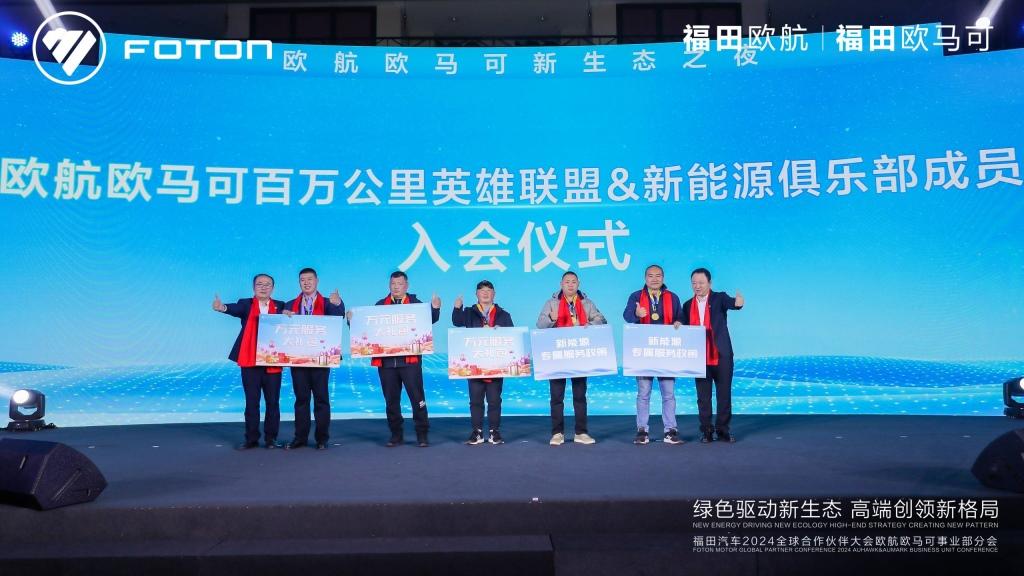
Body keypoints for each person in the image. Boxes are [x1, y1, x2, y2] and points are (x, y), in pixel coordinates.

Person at [212, 274, 286, 450]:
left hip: (272, 362)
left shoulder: (281, 306)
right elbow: (234, 309)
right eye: (259, 284)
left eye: (267, 284)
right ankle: (251, 439)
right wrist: (222, 308)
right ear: (254, 287)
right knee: (252, 402)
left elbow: (294, 319)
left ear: (273, 288)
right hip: (250, 361)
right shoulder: (245, 304)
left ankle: (271, 439)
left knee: (273, 402)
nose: (263, 287)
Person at [367, 271, 440, 447]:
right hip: (386, 363)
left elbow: (430, 320)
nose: (396, 287)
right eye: (393, 284)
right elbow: (367, 327)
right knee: (391, 401)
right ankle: (396, 434)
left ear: (406, 285)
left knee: (417, 399)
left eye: (400, 284)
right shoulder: (379, 306)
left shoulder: (416, 304)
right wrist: (351, 320)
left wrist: (435, 309)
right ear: (389, 285)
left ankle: (422, 434)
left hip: (409, 361)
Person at [536, 271, 607, 446]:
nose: (570, 284)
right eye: (567, 282)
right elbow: (540, 325)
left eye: (573, 282)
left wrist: (589, 324)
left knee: (580, 396)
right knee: (556, 397)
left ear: (578, 284)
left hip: (579, 356)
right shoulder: (551, 303)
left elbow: (602, 319)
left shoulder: (586, 303)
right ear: (561, 284)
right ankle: (557, 433)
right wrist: (551, 318)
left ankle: (581, 433)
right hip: (558, 356)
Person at [282, 268, 344, 450]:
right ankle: (300, 438)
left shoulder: (328, 302)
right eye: (303, 280)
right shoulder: (290, 304)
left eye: (310, 279)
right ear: (299, 283)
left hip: (321, 359)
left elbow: (338, 317)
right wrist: (283, 317)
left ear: (317, 281)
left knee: (321, 399)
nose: (306, 282)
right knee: (301, 399)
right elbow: (282, 329)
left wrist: (338, 303)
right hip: (298, 359)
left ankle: (322, 439)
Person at [622, 264, 685, 445]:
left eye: (658, 275)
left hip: (666, 352)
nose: (655, 279)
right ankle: (642, 430)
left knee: (668, 394)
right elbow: (627, 316)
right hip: (644, 352)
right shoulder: (636, 296)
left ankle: (670, 431)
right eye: (651, 275)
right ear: (645, 278)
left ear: (663, 278)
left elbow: (681, 316)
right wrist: (636, 313)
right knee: (643, 393)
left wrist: (679, 321)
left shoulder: (672, 297)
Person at [683, 267, 744, 443]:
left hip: (721, 355)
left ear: (709, 283)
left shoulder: (719, 298)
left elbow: (733, 303)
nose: (697, 286)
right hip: (699, 356)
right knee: (703, 398)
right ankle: (706, 431)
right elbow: (682, 324)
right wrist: (678, 323)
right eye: (694, 283)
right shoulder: (687, 305)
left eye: (701, 283)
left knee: (724, 395)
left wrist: (738, 303)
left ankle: (723, 430)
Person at [452, 280, 514, 446]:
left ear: (494, 294)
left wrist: (501, 333)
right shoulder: (469, 312)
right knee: (475, 401)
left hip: (496, 366)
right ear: (476, 294)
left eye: (488, 290)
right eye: (482, 290)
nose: (485, 293)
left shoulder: (503, 314)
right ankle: (477, 432)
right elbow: (456, 321)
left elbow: (512, 337)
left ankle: (494, 432)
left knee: (494, 400)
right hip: (475, 365)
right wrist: (457, 307)